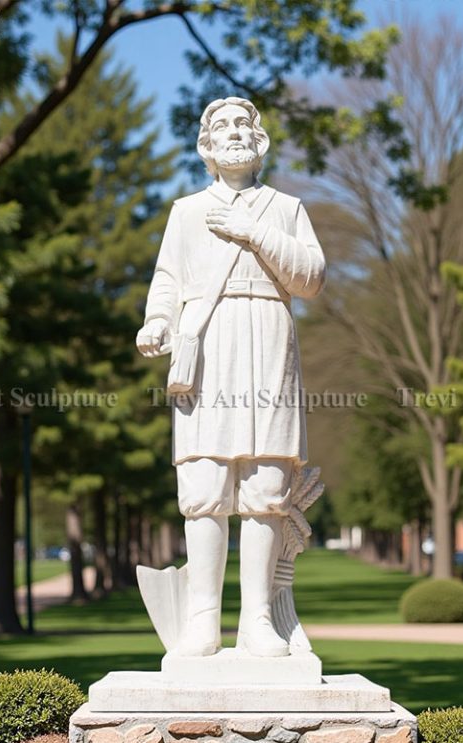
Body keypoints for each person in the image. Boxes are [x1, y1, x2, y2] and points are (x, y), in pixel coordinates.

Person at [137, 96, 325, 657]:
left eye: (245, 123)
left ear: (260, 140)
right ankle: (202, 621)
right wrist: (156, 321)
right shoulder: (187, 211)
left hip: (268, 333)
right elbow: (168, 278)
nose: (235, 132)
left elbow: (311, 277)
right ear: (207, 146)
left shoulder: (286, 208)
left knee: (267, 485)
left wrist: (253, 230)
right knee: (205, 485)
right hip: (207, 341)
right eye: (222, 126)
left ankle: (259, 621)